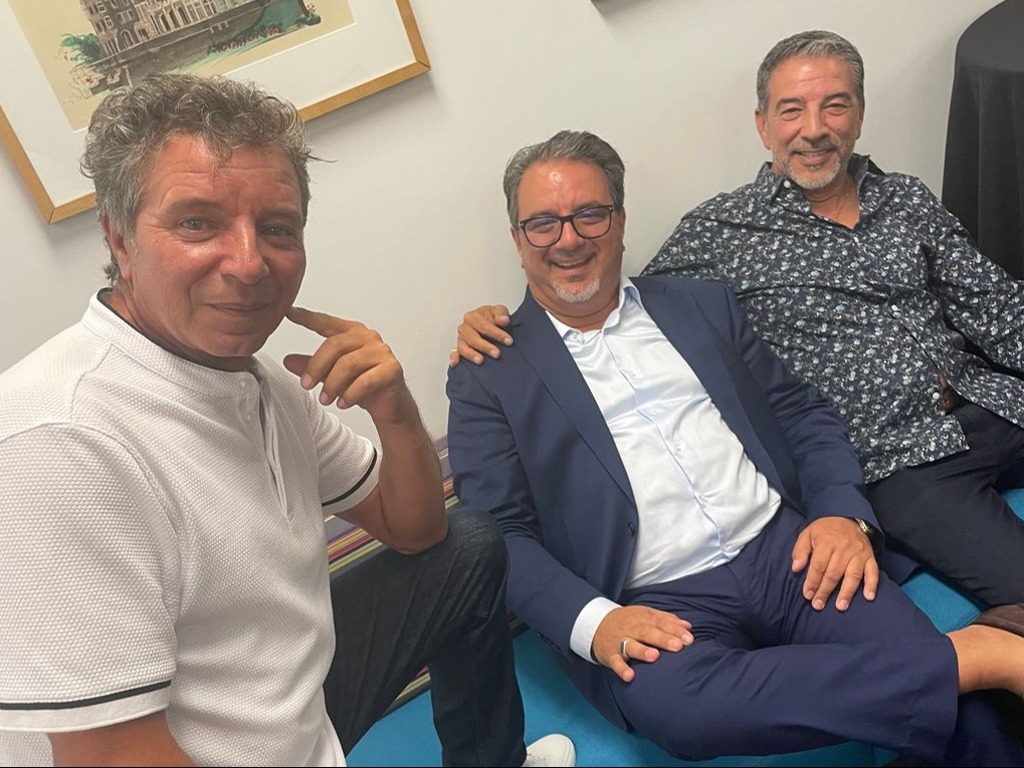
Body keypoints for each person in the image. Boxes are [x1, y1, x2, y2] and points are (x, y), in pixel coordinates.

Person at [0, 73, 574, 768]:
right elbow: (110, 758)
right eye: (197, 223)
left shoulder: (260, 378)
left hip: (286, 704)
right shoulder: (58, 440)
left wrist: (394, 410)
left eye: (276, 228)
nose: (249, 264)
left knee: (470, 543)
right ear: (119, 239)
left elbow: (418, 530)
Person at [445, 127, 1024, 765]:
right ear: (518, 239)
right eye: (543, 223)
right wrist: (596, 621)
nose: (569, 238)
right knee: (684, 711)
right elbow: (499, 535)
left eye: (590, 213)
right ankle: (974, 654)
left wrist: (840, 512)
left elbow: (801, 410)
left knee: (959, 710)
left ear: (621, 220)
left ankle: (959, 670)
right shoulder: (487, 372)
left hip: (790, 555)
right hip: (652, 600)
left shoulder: (699, 304)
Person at [452, 30, 1024, 610]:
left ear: (858, 115)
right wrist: (498, 323)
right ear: (763, 125)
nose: (814, 129)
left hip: (995, 402)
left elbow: (997, 308)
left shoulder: (905, 198)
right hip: (899, 463)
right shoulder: (718, 232)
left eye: (834, 105)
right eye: (791, 110)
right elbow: (599, 295)